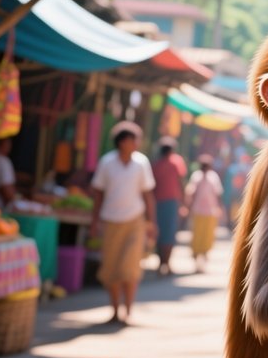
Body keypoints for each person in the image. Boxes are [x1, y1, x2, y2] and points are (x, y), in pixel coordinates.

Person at [89, 122, 156, 324]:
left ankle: (128, 311)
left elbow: (147, 195)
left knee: (130, 267)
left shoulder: (141, 163)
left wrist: (152, 223)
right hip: (111, 220)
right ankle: (115, 311)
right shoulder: (107, 163)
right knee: (111, 268)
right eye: (133, 139)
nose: (136, 143)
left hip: (135, 220)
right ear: (123, 142)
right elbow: (98, 195)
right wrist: (94, 221)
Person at [151, 136, 187, 275]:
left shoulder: (156, 165)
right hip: (171, 202)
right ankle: (165, 263)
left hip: (160, 202)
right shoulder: (176, 162)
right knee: (169, 233)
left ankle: (162, 263)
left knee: (161, 233)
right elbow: (181, 182)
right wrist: (183, 203)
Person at [184, 154, 225, 272]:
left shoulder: (213, 177)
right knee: (197, 236)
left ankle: (204, 255)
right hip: (198, 211)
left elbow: (218, 194)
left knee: (208, 236)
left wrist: (219, 208)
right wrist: (188, 207)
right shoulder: (196, 177)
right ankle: (197, 257)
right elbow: (191, 192)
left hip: (210, 211)